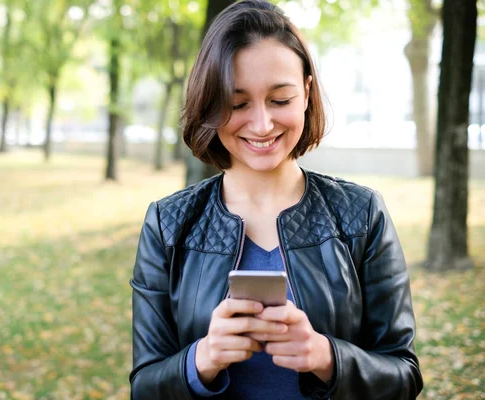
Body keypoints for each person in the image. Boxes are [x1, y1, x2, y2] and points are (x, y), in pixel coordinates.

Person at [129, 1, 423, 399]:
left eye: (280, 100)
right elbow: (145, 387)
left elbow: (403, 376)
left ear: (306, 91)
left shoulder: (361, 215)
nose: (263, 124)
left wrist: (326, 357)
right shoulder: (169, 225)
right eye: (237, 104)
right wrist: (203, 359)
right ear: (210, 104)